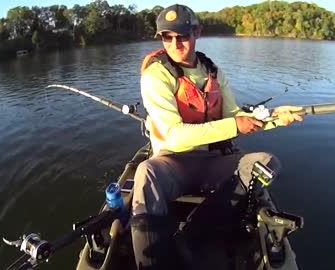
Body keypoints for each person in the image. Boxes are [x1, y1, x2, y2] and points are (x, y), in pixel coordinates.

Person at [130, 4, 303, 269]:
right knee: (145, 172)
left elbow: (236, 115)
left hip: (213, 160)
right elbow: (175, 137)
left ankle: (193, 235)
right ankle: (150, 263)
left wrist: (277, 118)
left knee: (266, 163)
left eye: (182, 36)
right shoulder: (155, 76)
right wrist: (234, 124)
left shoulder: (214, 72)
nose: (175, 43)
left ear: (196, 32)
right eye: (167, 37)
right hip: (172, 163)